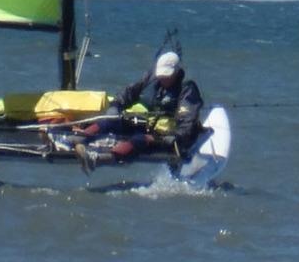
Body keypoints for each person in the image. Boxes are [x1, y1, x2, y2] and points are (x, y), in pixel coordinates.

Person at [71, 49, 205, 174]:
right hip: (148, 126)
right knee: (111, 121)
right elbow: (129, 92)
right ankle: (77, 139)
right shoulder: (151, 79)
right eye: (161, 75)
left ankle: (96, 159)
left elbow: (187, 122)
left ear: (176, 72)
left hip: (168, 137)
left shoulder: (187, 89)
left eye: (167, 76)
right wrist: (115, 105)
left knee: (139, 140)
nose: (163, 79)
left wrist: (176, 137)